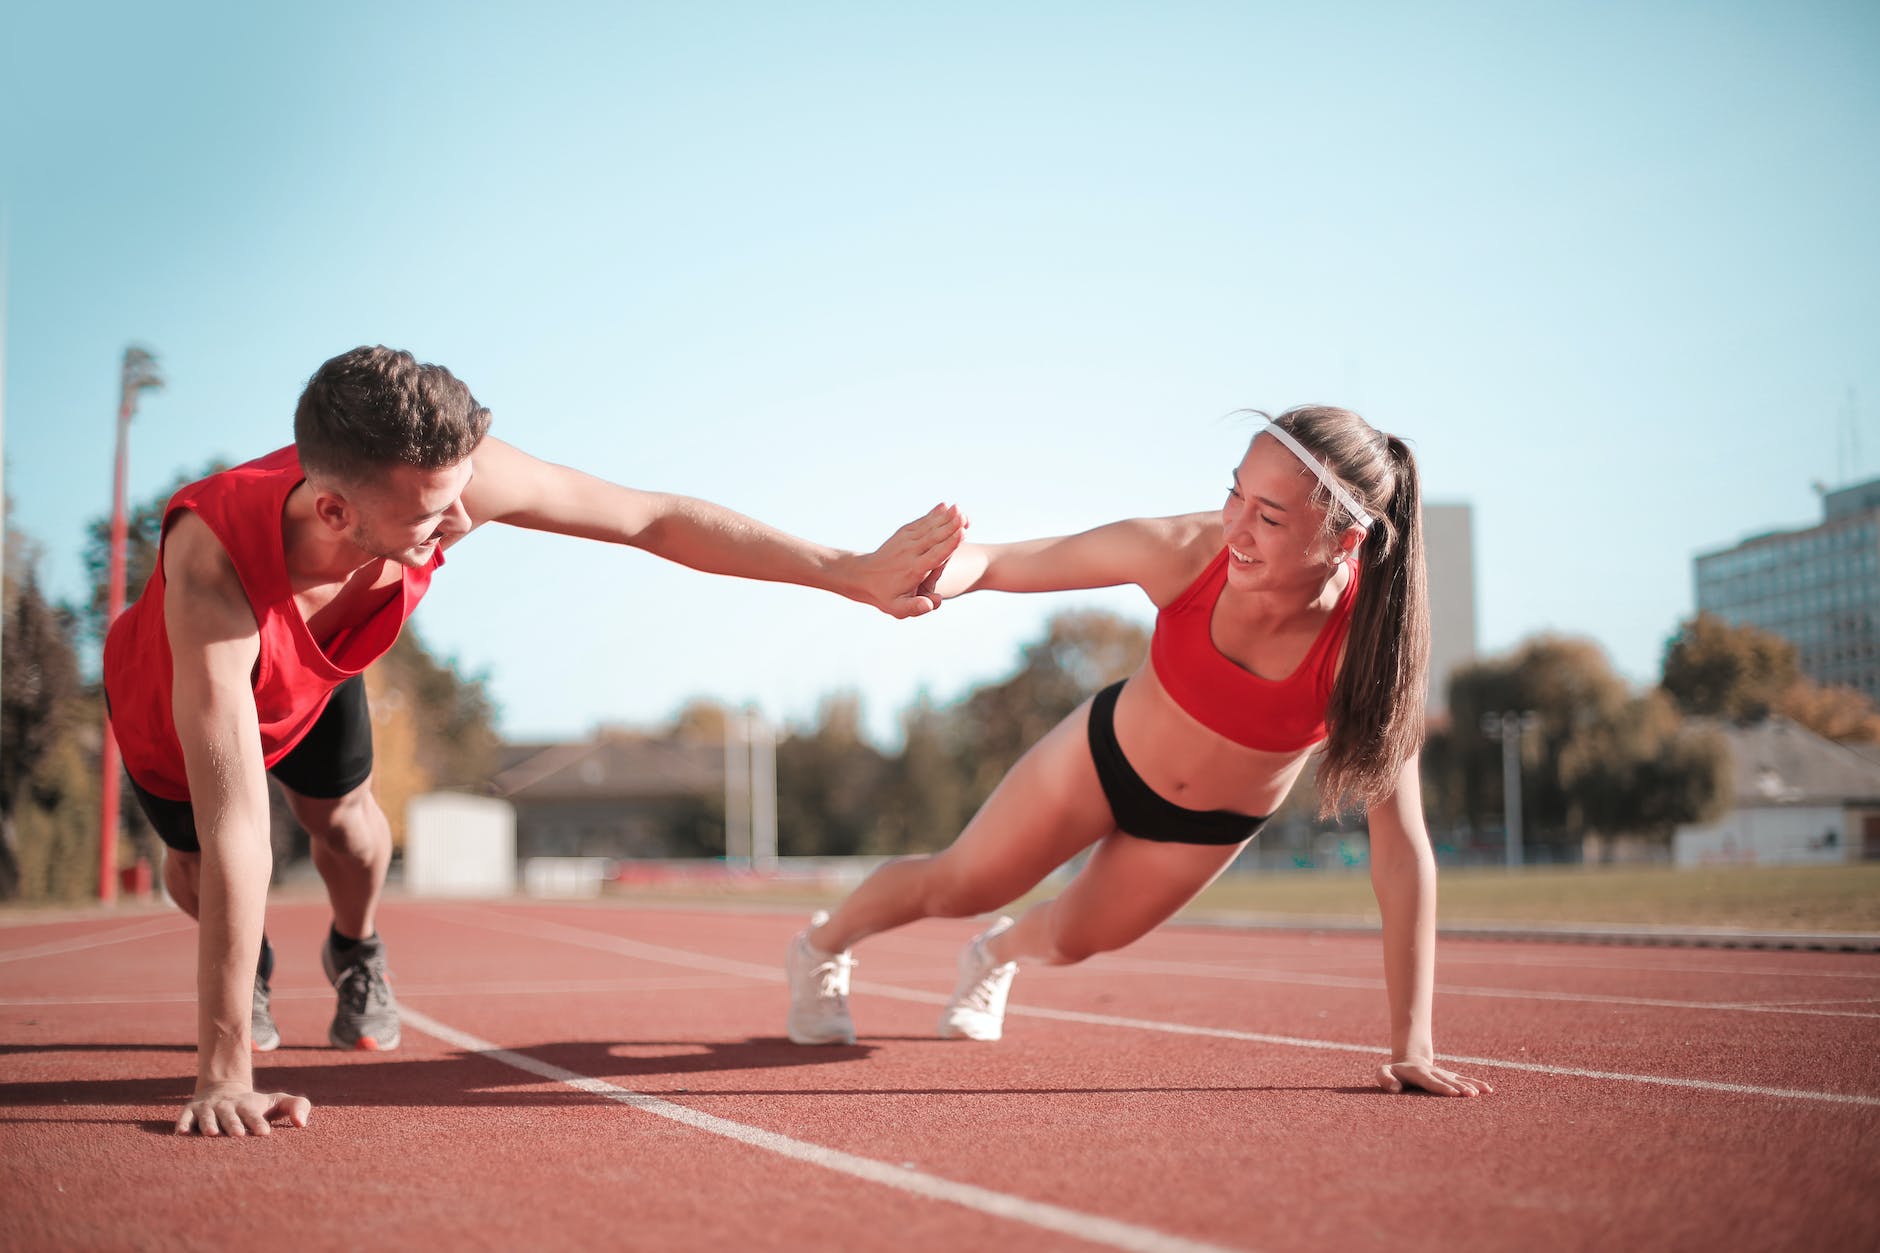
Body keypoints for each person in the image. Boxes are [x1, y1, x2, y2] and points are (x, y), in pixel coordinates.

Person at [104, 345, 966, 1137]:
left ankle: (355, 951)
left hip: (317, 670)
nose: (459, 525)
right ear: (333, 508)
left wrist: (845, 571)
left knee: (353, 831)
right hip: (179, 698)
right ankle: (247, 964)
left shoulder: (455, 482)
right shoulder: (213, 571)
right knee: (204, 869)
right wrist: (224, 1075)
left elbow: (651, 518)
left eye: (458, 499)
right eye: (431, 518)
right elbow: (238, 826)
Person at [784, 405, 1492, 1098]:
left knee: (1068, 939)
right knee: (961, 883)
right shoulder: (1184, 551)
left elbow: (1400, 847)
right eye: (1234, 492)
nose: (1236, 528)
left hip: (1205, 828)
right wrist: (927, 574)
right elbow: (1001, 562)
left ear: (1342, 543)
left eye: (1269, 517)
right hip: (1102, 758)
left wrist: (1412, 1047)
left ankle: (993, 955)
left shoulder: (1367, 651)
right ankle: (821, 946)